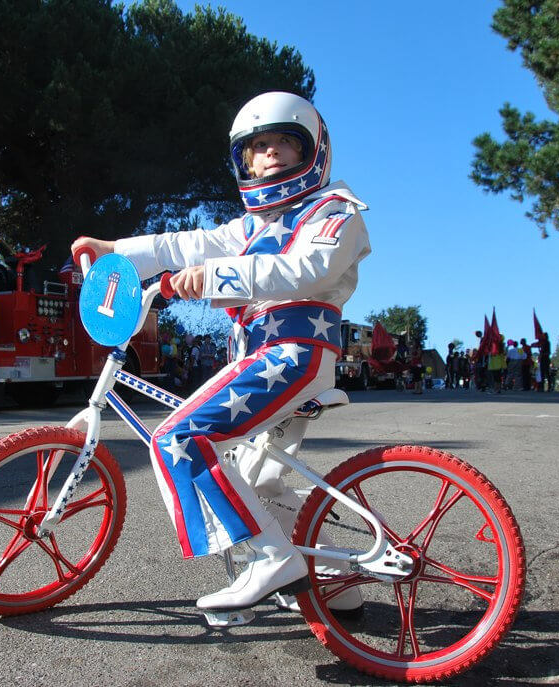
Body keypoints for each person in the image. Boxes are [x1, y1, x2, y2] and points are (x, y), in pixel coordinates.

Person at [71, 91, 370, 613]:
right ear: (244, 160)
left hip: (294, 352)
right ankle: (336, 583)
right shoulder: (248, 229)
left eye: (285, 141)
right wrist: (114, 249)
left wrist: (212, 277)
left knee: (179, 435)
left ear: (313, 151)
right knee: (261, 480)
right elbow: (179, 245)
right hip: (263, 356)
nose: (270, 153)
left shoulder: (334, 211)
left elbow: (306, 271)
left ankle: (269, 557)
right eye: (258, 145)